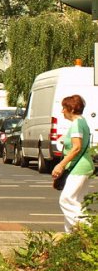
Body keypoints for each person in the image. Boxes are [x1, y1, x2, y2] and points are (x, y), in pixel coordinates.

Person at [52, 94, 92, 233]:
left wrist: (61, 165)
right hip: (85, 166)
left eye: (64, 108)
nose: (62, 111)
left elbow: (76, 147)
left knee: (66, 200)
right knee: (77, 201)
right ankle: (72, 236)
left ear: (72, 109)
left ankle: (89, 230)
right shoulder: (83, 122)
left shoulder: (76, 124)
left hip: (78, 168)